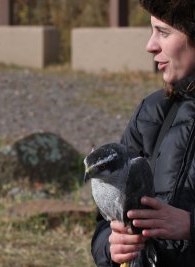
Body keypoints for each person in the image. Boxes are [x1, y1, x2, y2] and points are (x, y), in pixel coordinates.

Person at [91, 0, 195, 266]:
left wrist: (190, 225)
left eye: (164, 32)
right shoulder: (151, 112)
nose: (151, 45)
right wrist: (111, 246)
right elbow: (105, 220)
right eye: (152, 31)